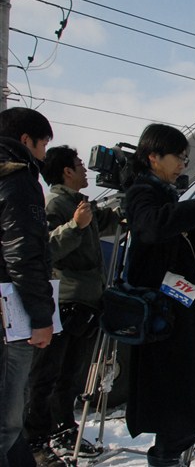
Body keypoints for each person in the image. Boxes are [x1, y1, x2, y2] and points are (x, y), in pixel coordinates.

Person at [123, 124, 195, 467]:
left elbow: (188, 250)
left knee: (189, 391)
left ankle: (171, 452)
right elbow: (154, 227)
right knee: (175, 394)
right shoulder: (142, 193)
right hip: (163, 312)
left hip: (180, 307)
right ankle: (165, 457)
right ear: (153, 157)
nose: (183, 164)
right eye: (178, 157)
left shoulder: (166, 197)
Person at [25, 146, 121, 463]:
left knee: (68, 376)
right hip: (65, 301)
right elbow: (46, 249)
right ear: (67, 171)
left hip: (86, 301)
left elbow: (110, 220)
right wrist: (74, 226)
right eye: (79, 164)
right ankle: (38, 440)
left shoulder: (80, 204)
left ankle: (65, 431)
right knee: (47, 377)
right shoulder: (56, 204)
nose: (85, 169)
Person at [0, 107, 54, 467]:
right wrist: (40, 315)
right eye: (43, 145)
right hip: (11, 317)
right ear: (25, 141)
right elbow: (24, 253)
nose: (44, 155)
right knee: (6, 422)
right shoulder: (18, 179)